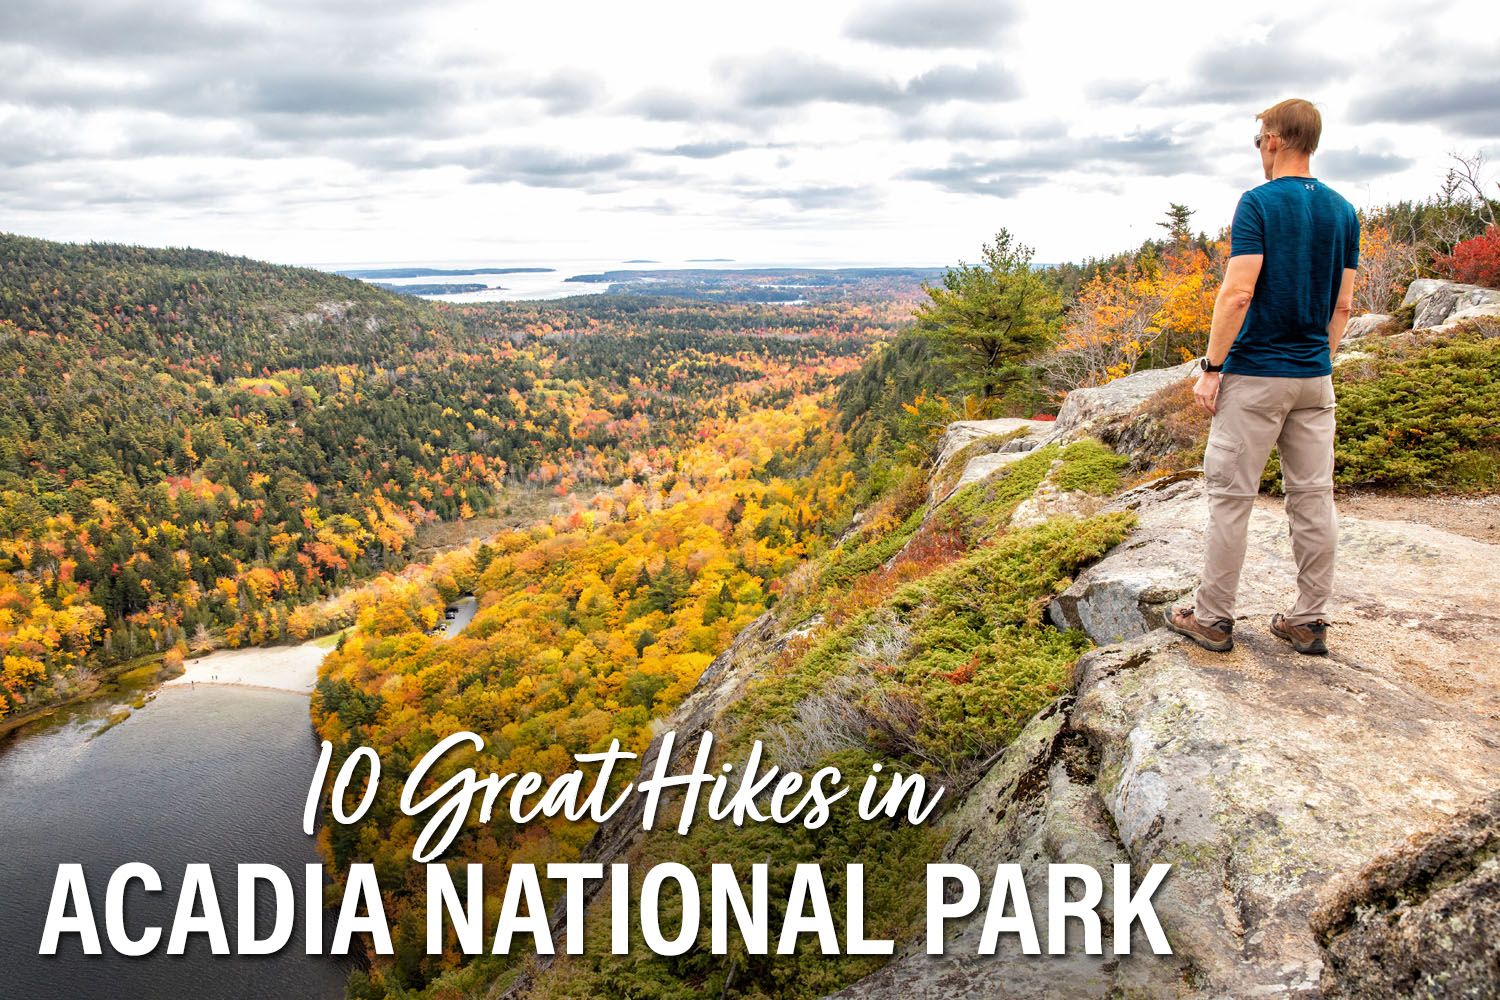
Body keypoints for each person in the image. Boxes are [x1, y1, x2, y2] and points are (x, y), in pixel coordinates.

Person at [1165, 98, 1359, 657]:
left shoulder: (1258, 204)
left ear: (1273, 141)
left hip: (1254, 375)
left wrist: (1213, 367)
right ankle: (1308, 620)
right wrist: (1316, 360)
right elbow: (1342, 307)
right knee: (1313, 496)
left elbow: (1239, 290)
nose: (1259, 152)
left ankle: (1213, 618)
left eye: (1259, 142)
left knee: (1231, 498)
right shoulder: (1344, 212)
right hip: (1313, 378)